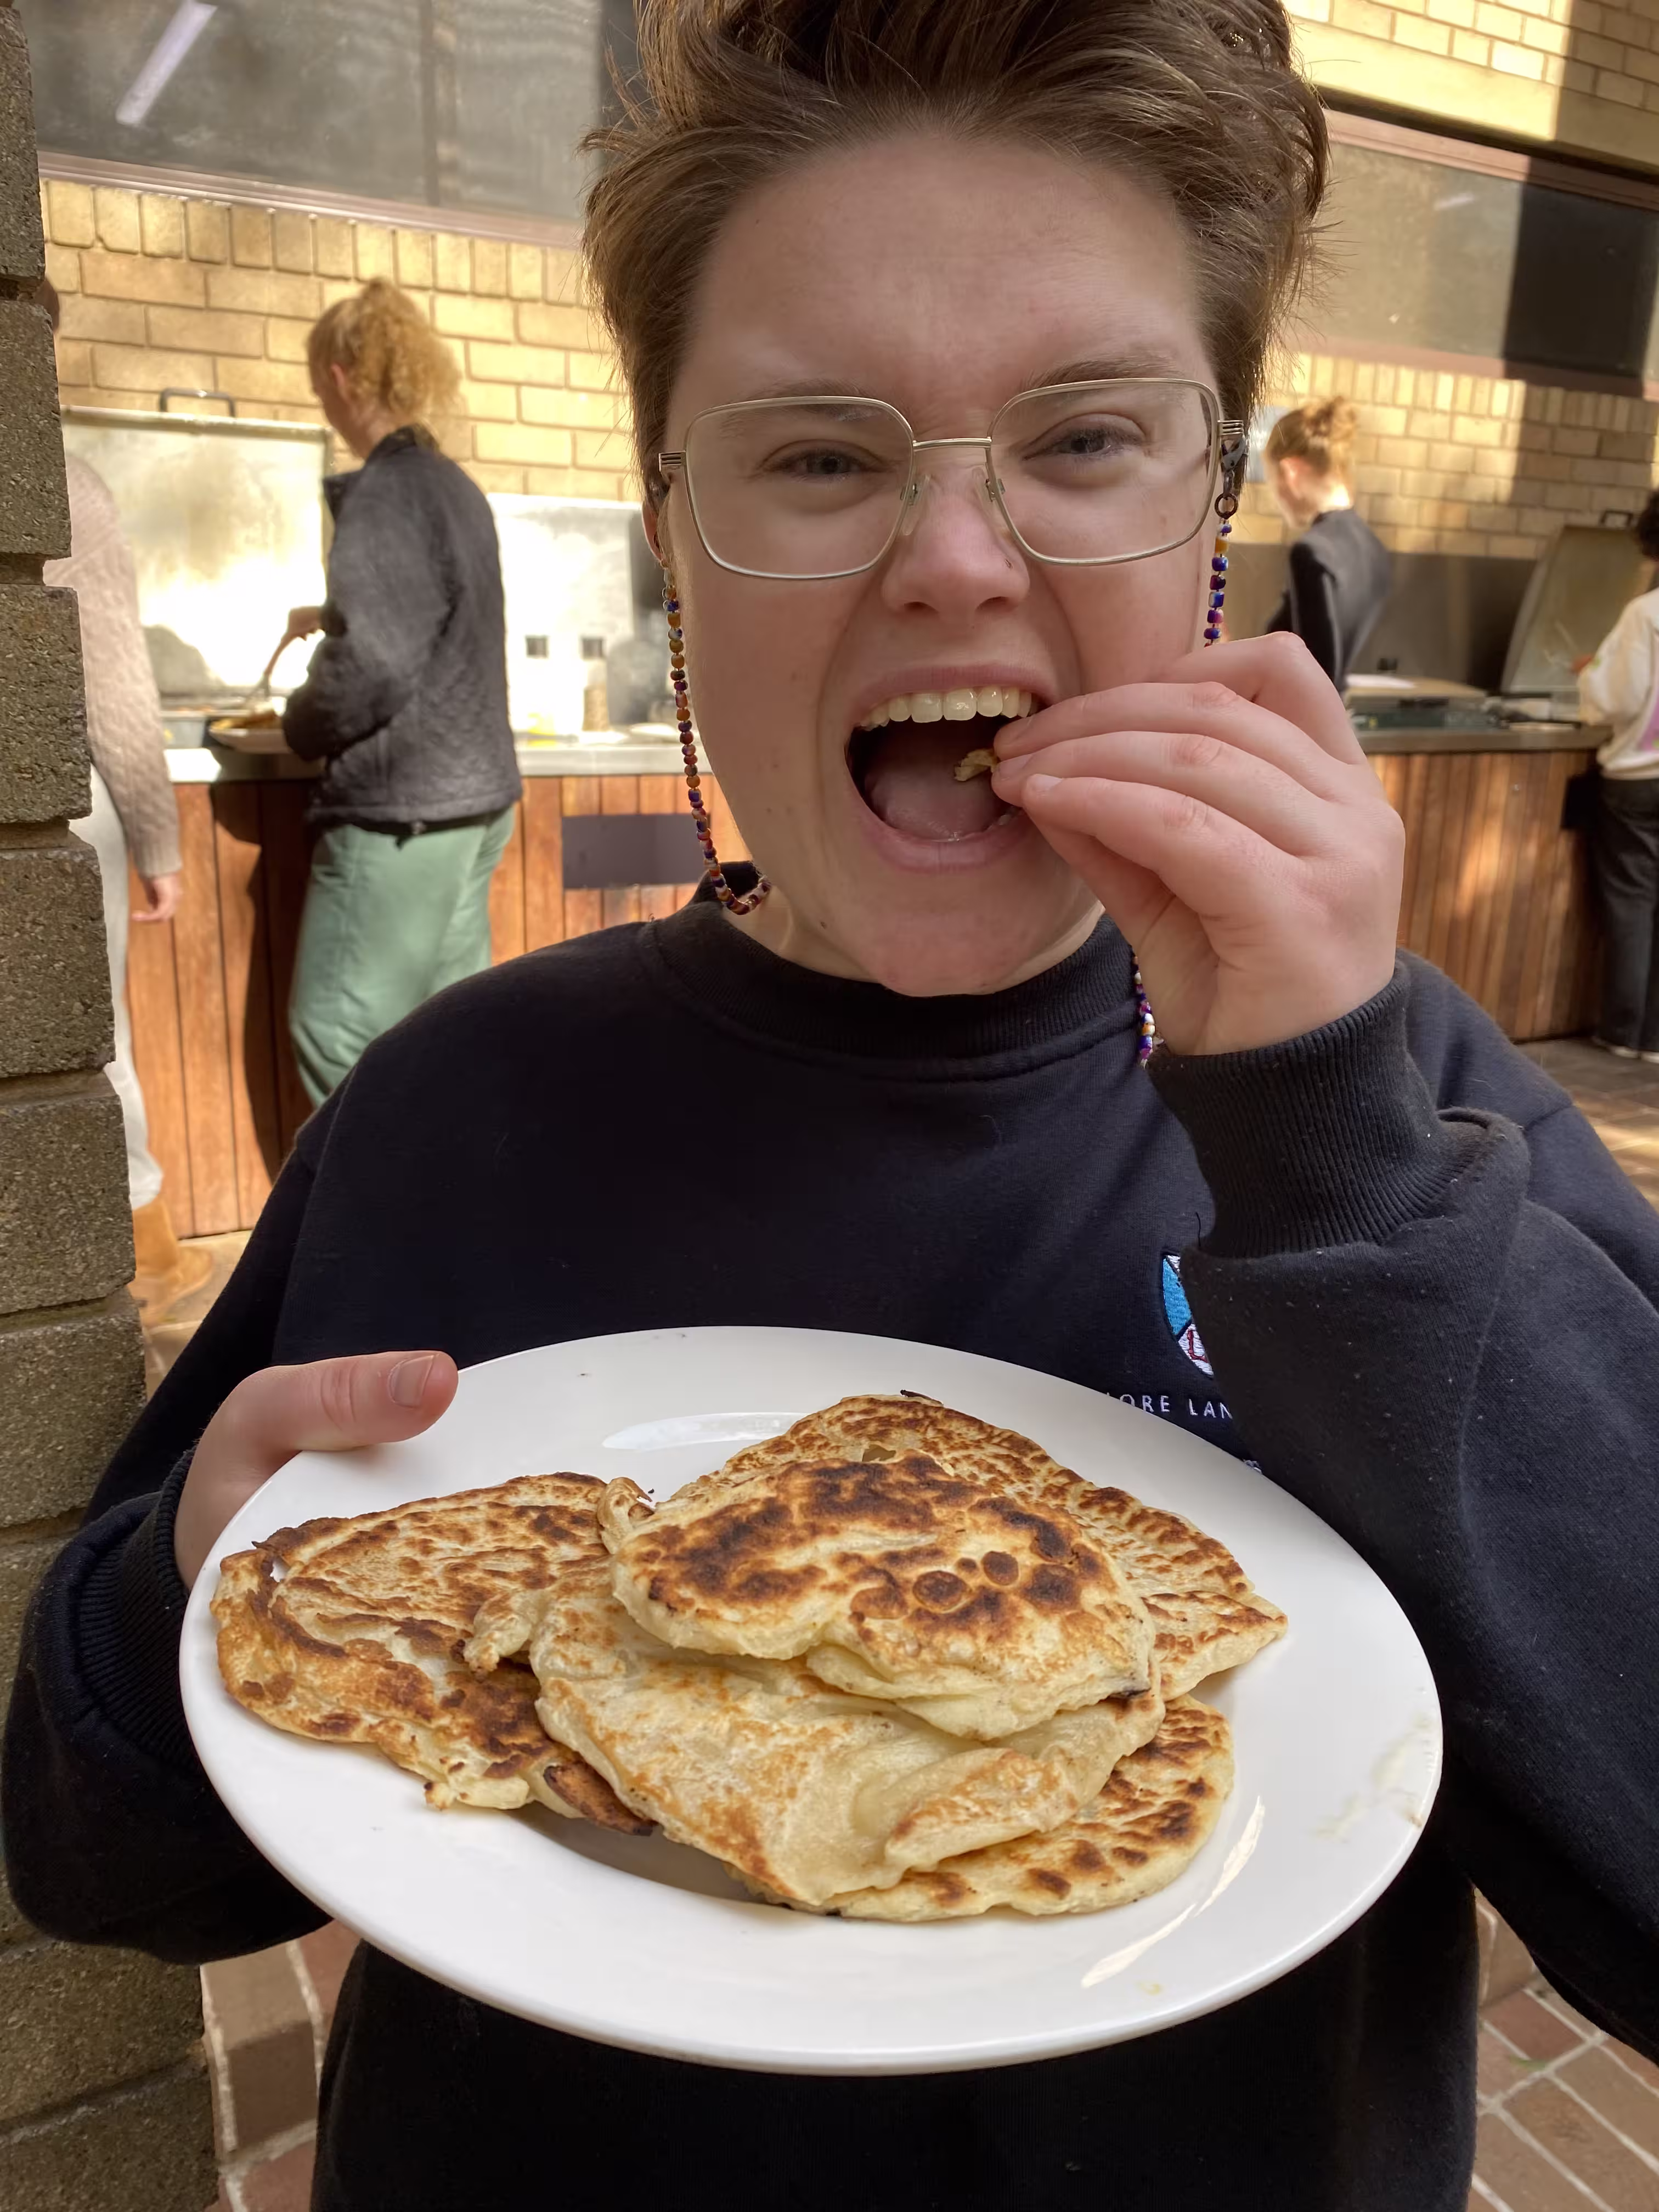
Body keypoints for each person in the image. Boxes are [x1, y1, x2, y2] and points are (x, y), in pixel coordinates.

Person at [6, 5, 1657, 2209]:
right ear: (674, 542)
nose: (955, 558)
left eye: (1087, 437)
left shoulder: (1425, 1116)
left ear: (1214, 524)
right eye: (815, 456)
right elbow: (94, 1852)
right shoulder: (453, 1112)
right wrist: (186, 1604)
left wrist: (1332, 1141)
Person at [275, 278, 522, 1105]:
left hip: (403, 814)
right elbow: (439, 618)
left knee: (334, 1031)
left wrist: (298, 723)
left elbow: (372, 667)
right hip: (475, 803)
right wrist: (332, 615)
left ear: (340, 376)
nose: (324, 405)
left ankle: (379, 1193)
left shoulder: (385, 493)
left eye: (320, 388)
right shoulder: (454, 487)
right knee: (448, 1032)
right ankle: (463, 1190)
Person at [39, 278, 211, 1319]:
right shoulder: (65, 487)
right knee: (91, 1039)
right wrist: (159, 842)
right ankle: (146, 1258)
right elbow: (112, 684)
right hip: (62, 807)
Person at [1578, 488, 1659, 1058]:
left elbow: (1619, 698)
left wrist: (1591, 674)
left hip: (1638, 779)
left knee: (1632, 901)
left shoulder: (1646, 614)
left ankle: (1622, 1031)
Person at [1262, 396, 1392, 689]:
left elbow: (1318, 676)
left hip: (1299, 714)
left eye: (1273, 482)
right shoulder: (1375, 549)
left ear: (1291, 471)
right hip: (1342, 709)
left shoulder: (1311, 553)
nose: (1278, 498)